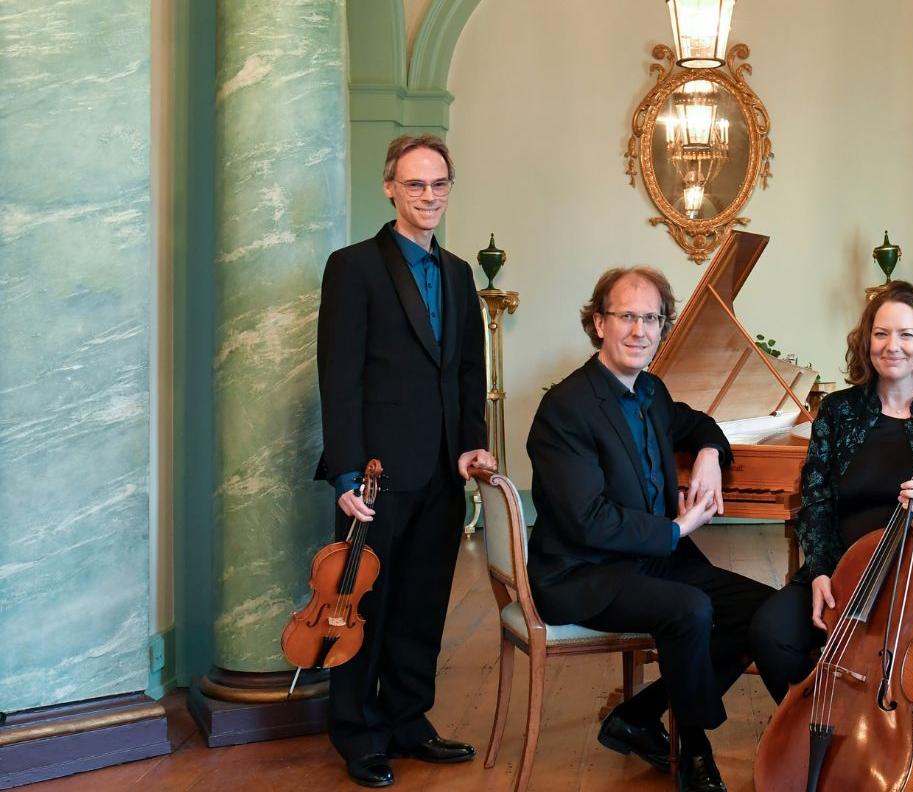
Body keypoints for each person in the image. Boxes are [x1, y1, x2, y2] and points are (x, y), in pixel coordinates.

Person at [525, 266, 776, 792]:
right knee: (690, 610)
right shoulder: (565, 409)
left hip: (650, 560)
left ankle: (637, 716)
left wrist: (709, 452)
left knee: (762, 612)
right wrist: (677, 529)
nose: (641, 330)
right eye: (627, 316)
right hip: (584, 572)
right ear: (598, 323)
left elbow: (700, 423)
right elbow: (586, 519)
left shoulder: (652, 392)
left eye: (653, 318)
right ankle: (695, 753)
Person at [314, 134, 495, 788]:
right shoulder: (353, 267)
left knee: (422, 604)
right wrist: (343, 472)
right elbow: (338, 378)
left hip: (444, 471)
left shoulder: (458, 274)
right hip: (376, 476)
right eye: (415, 184)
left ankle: (410, 720)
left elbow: (468, 372)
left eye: (439, 184)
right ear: (389, 187)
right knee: (363, 608)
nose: (429, 196)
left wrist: (472, 439)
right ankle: (359, 733)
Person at [748, 281, 913, 734]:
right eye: (881, 334)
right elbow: (816, 498)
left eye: (906, 334)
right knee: (770, 631)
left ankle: (908, 742)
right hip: (847, 568)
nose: (893, 346)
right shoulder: (839, 411)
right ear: (867, 341)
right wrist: (822, 568)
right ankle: (826, 730)